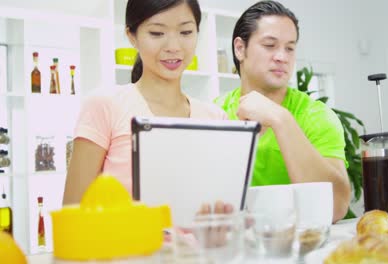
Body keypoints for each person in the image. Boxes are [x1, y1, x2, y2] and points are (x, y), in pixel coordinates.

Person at [63, 0, 228, 206]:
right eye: (157, 33)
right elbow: (73, 211)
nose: (174, 47)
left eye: (185, 32)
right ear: (132, 36)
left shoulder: (216, 118)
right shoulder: (105, 105)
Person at [215, 0, 351, 222]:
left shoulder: (316, 115)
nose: (282, 56)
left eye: (290, 47)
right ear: (240, 48)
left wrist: (280, 119)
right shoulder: (214, 114)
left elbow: (335, 207)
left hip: (304, 248)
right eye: (270, 45)